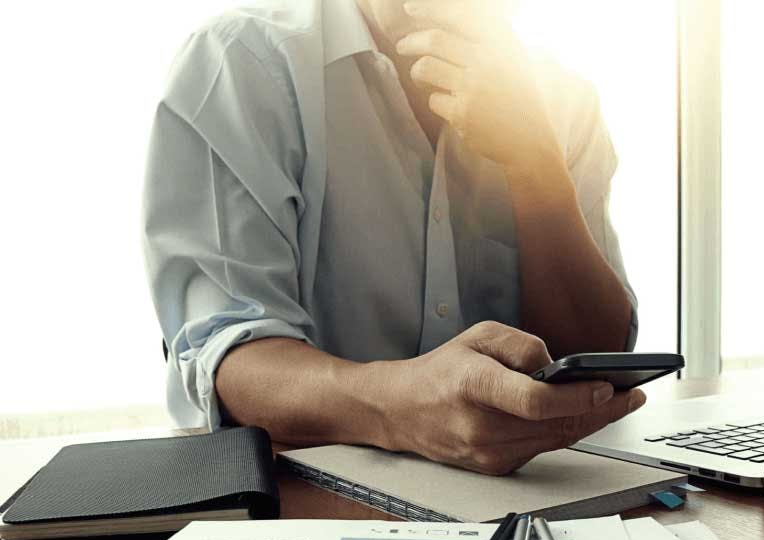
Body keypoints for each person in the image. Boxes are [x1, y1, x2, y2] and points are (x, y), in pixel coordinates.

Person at [143, 0, 644, 475]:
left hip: (532, 496)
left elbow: (597, 362)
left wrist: (536, 163)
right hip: (300, 500)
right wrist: (402, 408)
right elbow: (229, 356)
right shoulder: (240, 62)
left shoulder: (563, 100)